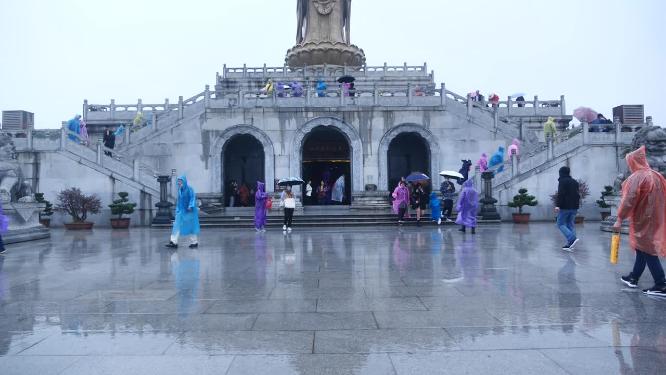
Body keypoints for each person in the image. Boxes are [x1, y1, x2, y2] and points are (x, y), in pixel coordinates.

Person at [615, 146, 666, 296]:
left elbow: (629, 200)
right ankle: (634, 277)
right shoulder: (656, 175)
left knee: (648, 249)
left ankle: (661, 283)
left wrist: (619, 218)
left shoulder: (637, 177)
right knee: (642, 248)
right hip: (656, 217)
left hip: (643, 219)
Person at [165, 175, 200, 249]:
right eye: (178, 181)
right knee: (176, 225)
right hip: (181, 211)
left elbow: (192, 198)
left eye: (180, 181)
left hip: (189, 211)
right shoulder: (180, 190)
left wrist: (190, 206)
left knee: (190, 227)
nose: (179, 183)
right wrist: (178, 210)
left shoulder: (189, 189)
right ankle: (173, 242)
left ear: (184, 181)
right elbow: (179, 201)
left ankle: (194, 242)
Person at [555, 166, 580, 251]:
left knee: (560, 223)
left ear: (561, 173)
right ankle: (570, 244)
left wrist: (558, 205)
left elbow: (561, 194)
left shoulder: (562, 181)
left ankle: (571, 238)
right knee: (570, 224)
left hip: (565, 207)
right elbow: (577, 195)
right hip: (574, 207)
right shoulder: (575, 182)